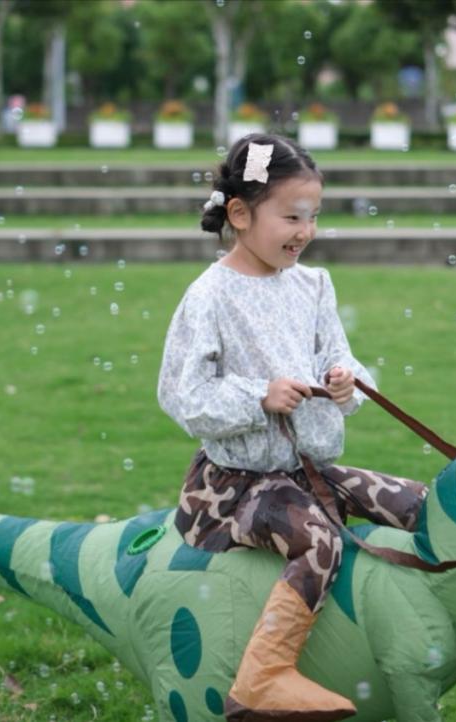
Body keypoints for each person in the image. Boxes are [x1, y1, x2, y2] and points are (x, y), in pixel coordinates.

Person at [158, 134, 427, 721]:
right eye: (292, 217)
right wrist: (260, 396)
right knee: (318, 540)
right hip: (238, 484)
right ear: (240, 214)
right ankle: (263, 679)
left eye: (314, 216)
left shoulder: (314, 284)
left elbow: (341, 357)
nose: (305, 231)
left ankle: (437, 623)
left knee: (419, 503)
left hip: (310, 471)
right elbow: (182, 395)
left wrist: (346, 381)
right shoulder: (210, 296)